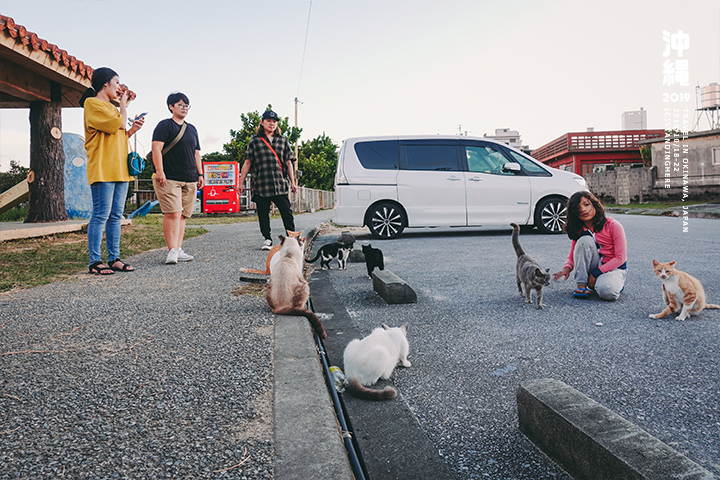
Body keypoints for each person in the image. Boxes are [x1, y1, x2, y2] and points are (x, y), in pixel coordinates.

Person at [80, 67, 145, 275]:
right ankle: (94, 261)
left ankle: (114, 258)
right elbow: (116, 124)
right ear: (105, 83)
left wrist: (131, 130)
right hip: (102, 168)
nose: (119, 87)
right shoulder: (92, 104)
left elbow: (117, 135)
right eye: (116, 82)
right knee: (101, 214)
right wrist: (123, 106)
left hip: (119, 168)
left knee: (116, 215)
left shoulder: (112, 108)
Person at [151, 92, 204, 264]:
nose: (184, 108)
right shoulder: (164, 125)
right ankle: (171, 250)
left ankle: (179, 248)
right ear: (171, 107)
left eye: (186, 105)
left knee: (182, 215)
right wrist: (160, 171)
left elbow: (197, 153)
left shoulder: (192, 128)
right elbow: (156, 149)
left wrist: (200, 173)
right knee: (172, 213)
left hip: (190, 177)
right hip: (169, 177)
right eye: (180, 105)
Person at [239, 109, 298, 250]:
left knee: (286, 213)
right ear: (262, 122)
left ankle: (292, 239)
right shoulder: (255, 141)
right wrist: (240, 182)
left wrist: (293, 182)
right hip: (261, 184)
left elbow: (289, 162)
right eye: (269, 121)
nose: (272, 124)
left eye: (274, 121)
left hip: (279, 183)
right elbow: (247, 162)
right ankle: (267, 239)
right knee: (263, 214)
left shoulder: (283, 140)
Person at [553, 191, 627, 301]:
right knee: (584, 241)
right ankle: (582, 286)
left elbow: (620, 258)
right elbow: (573, 254)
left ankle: (608, 283)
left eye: (586, 204)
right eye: (578, 208)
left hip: (613, 268)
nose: (583, 209)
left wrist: (596, 274)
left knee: (608, 292)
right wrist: (566, 269)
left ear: (594, 204)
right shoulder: (579, 230)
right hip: (593, 266)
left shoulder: (614, 226)